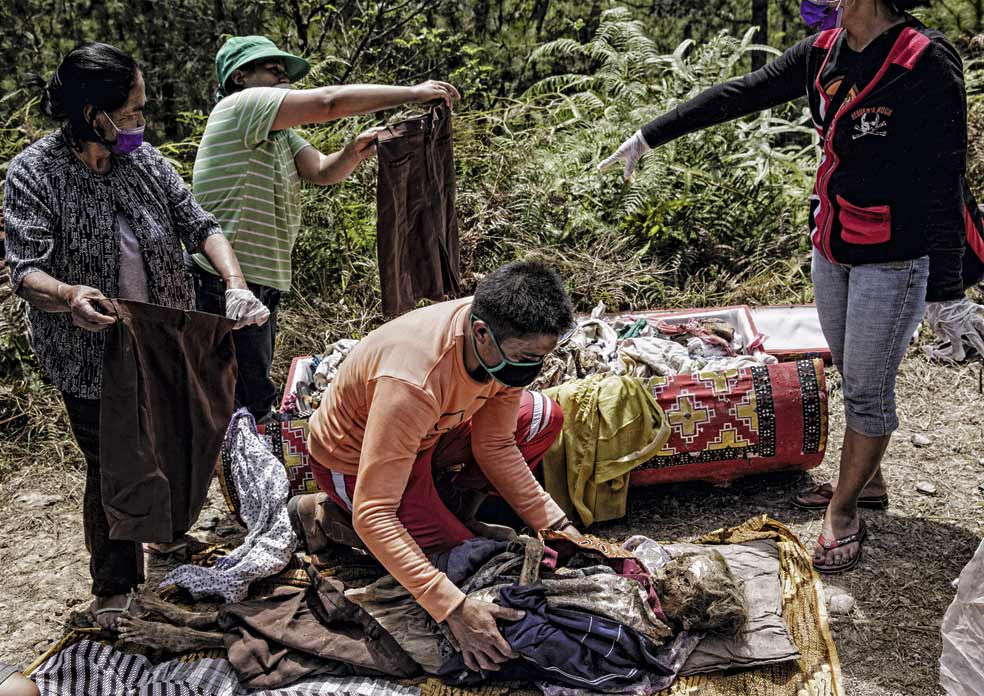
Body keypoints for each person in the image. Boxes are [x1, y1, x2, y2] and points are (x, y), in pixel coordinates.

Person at [601, 0, 974, 574]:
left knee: (868, 391)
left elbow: (945, 180)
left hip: (896, 257)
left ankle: (844, 512)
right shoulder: (825, 51)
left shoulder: (924, 62)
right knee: (852, 369)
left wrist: (947, 295)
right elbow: (740, 93)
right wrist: (649, 135)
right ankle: (867, 483)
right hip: (834, 243)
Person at [3, 43, 267, 628]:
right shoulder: (34, 173)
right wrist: (70, 295)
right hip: (88, 347)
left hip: (161, 337)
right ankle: (115, 583)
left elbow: (200, 225)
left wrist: (234, 282)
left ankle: (169, 535)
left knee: (172, 436)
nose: (138, 124)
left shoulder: (142, 162)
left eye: (140, 111)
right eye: (128, 114)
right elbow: (26, 269)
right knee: (114, 459)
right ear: (90, 112)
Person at [294, 260, 580, 673]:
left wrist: (558, 526)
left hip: (430, 436)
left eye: (541, 356)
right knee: (456, 559)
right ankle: (330, 516)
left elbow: (495, 444)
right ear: (481, 333)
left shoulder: (498, 337)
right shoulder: (413, 380)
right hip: (356, 459)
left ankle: (449, 506)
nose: (531, 368)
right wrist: (454, 608)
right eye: (525, 357)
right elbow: (375, 513)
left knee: (542, 417)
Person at [188, 35, 462, 420]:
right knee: (245, 398)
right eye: (272, 70)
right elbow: (328, 102)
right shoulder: (240, 107)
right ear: (239, 77)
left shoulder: (280, 133)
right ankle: (242, 473)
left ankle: (243, 469)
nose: (284, 77)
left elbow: (320, 170)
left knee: (248, 391)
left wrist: (352, 151)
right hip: (226, 281)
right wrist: (413, 93)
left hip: (260, 278)